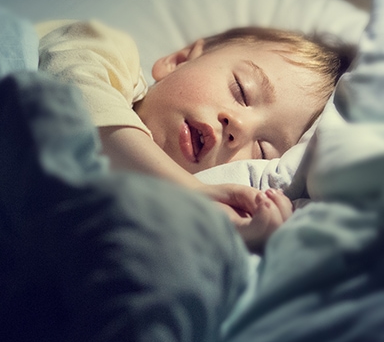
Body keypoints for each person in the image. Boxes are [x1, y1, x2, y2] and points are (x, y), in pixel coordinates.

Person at [37, 20, 355, 251]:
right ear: (179, 60)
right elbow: (67, 96)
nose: (239, 127)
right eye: (242, 92)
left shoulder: (152, 220)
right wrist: (189, 193)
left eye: (262, 150)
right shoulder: (106, 51)